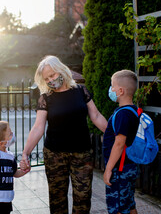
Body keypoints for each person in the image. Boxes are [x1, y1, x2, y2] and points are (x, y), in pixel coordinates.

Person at [20, 55, 108, 214]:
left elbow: (95, 116)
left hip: (82, 153)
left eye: (52, 75)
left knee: (83, 198)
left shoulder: (81, 91)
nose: (50, 80)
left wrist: (113, 134)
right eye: (46, 79)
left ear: (61, 70)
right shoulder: (45, 98)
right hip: (54, 155)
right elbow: (38, 127)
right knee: (57, 199)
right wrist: (26, 153)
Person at [103, 70, 139, 214]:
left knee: (117, 208)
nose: (111, 89)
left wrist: (108, 169)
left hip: (119, 169)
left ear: (121, 90)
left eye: (113, 86)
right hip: (129, 166)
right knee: (129, 204)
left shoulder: (122, 114)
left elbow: (119, 144)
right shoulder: (134, 111)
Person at [0, 121, 29, 214]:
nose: (13, 135)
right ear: (1, 143)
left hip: (7, 199)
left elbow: (15, 173)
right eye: (10, 134)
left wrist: (24, 170)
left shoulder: (10, 156)